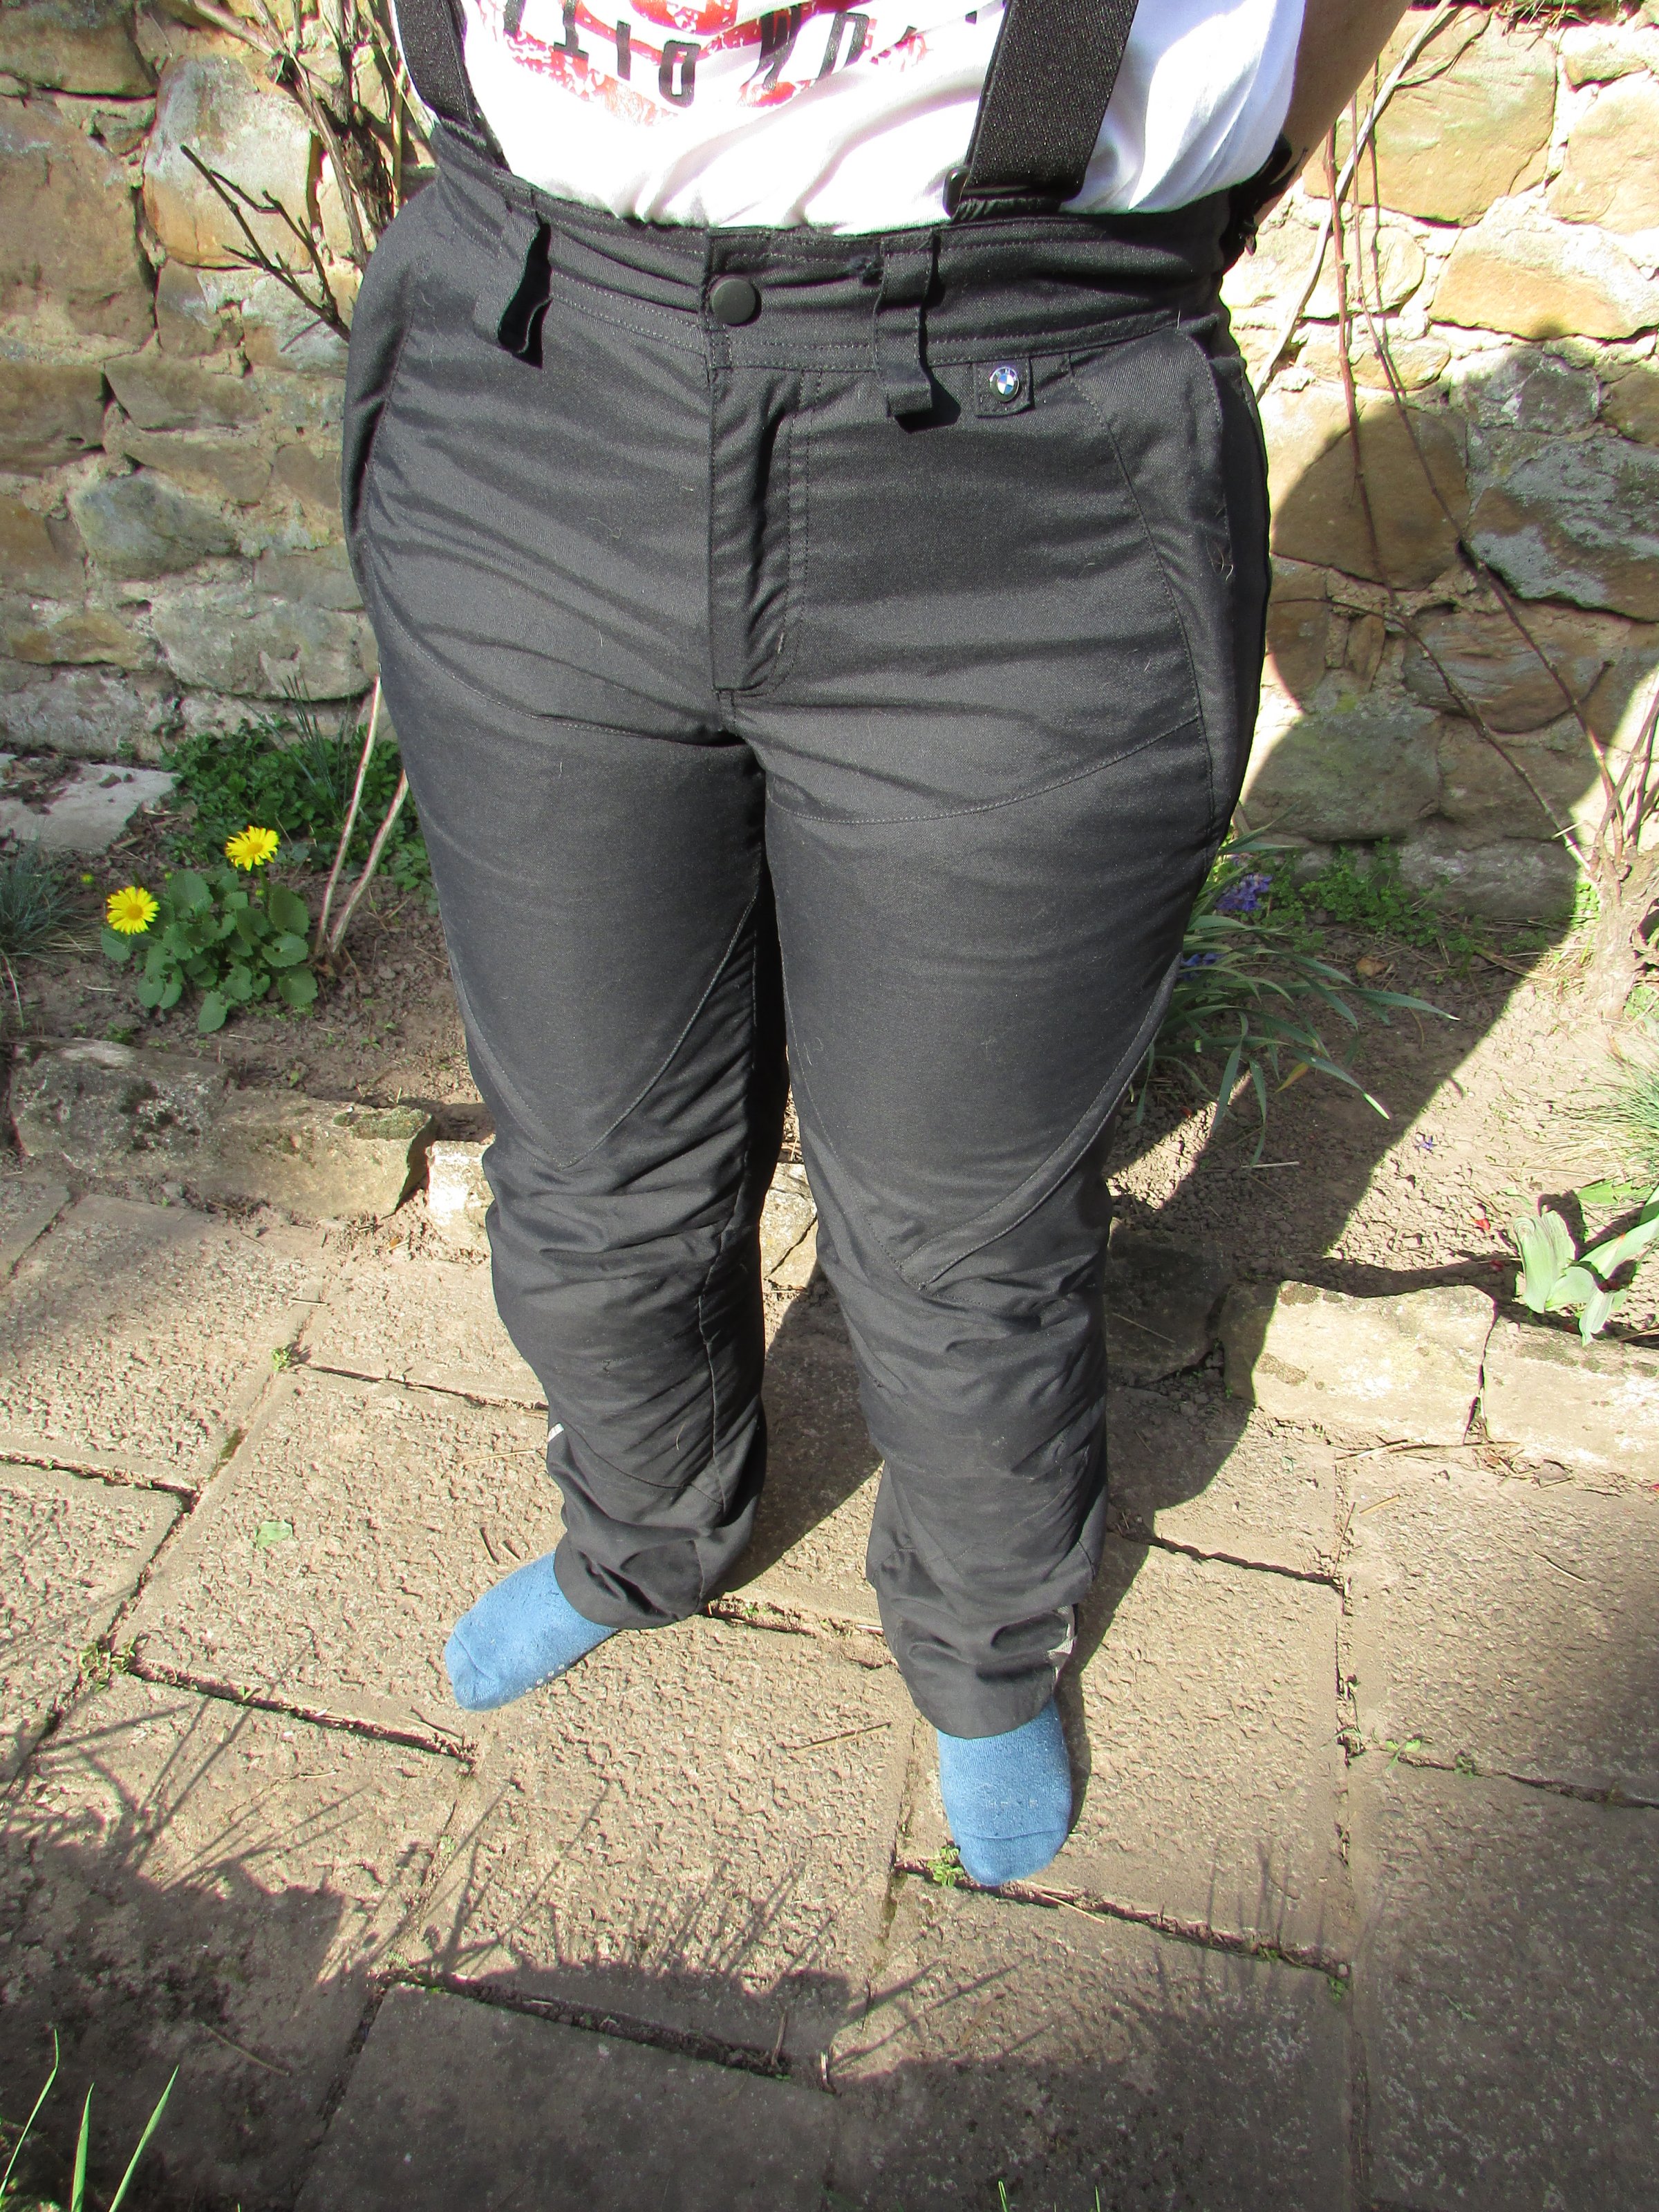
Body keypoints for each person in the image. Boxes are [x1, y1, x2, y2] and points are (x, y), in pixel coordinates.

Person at [345, 0, 1407, 1886]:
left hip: (1029, 445)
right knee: (589, 1147)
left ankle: (986, 1649)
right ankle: (640, 1536)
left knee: (961, 1223)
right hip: (528, 390)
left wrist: (1139, 244)